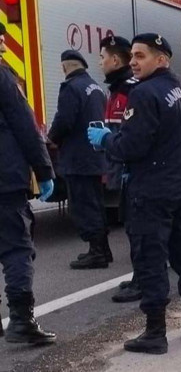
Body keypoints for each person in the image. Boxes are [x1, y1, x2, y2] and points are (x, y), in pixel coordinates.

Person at [88, 33, 181, 355]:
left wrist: (105, 140)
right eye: (133, 57)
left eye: (141, 56)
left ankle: (155, 333)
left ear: (161, 59)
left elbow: (131, 146)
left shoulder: (144, 94)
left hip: (152, 193)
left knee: (151, 260)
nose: (133, 63)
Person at [0, 23, 57, 344]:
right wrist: (45, 170)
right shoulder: (3, 77)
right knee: (17, 249)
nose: (4, 43)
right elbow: (26, 126)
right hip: (5, 181)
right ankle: (21, 320)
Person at [47, 50, 109, 270]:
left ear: (65, 67)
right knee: (96, 204)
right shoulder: (95, 87)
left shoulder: (71, 88)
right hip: (94, 156)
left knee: (83, 206)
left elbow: (64, 121)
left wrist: (51, 138)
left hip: (78, 159)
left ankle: (97, 252)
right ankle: (102, 249)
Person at [99, 36, 142, 303]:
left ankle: (143, 280)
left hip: (133, 171)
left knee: (137, 228)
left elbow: (126, 136)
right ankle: (141, 275)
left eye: (102, 57)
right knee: (131, 226)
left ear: (115, 60)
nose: (101, 63)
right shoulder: (120, 88)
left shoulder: (127, 90)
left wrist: (105, 139)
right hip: (128, 169)